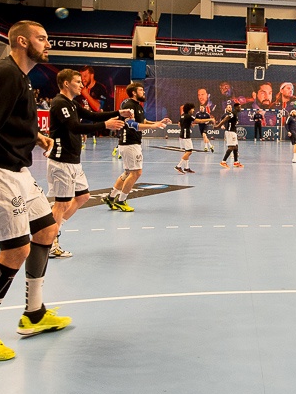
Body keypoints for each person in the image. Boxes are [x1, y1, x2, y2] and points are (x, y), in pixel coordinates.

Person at [0, 20, 65, 362]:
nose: (47, 43)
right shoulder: (3, 74)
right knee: (15, 251)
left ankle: (34, 314)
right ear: (22, 41)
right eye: (42, 37)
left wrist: (37, 137)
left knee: (47, 228)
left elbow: (7, 120)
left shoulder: (20, 77)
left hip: (18, 170)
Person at [45, 68, 128, 256]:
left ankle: (51, 227)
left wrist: (118, 113)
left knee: (83, 196)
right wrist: (105, 126)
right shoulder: (59, 103)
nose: (82, 85)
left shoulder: (72, 104)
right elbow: (74, 127)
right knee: (61, 204)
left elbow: (92, 115)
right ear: (66, 84)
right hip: (62, 161)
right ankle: (50, 242)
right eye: (77, 81)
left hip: (73, 161)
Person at [105, 82, 170, 210]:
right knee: (136, 173)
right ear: (134, 92)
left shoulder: (138, 106)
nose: (143, 92)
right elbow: (131, 124)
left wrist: (158, 123)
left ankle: (111, 197)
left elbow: (143, 122)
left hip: (132, 142)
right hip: (130, 142)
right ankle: (121, 201)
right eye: (141, 90)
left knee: (128, 172)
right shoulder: (129, 105)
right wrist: (153, 126)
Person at [176, 102, 209, 174]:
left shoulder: (182, 115)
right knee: (189, 151)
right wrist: (210, 119)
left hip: (182, 134)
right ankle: (179, 166)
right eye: (192, 109)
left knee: (187, 151)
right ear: (189, 109)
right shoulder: (188, 116)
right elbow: (199, 121)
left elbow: (179, 124)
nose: (193, 110)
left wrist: (188, 125)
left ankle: (186, 167)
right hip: (186, 136)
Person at [214, 102, 244, 168]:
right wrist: (218, 126)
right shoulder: (233, 113)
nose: (240, 108)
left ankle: (236, 162)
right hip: (230, 132)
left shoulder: (235, 114)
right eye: (239, 107)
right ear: (236, 107)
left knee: (236, 147)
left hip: (233, 132)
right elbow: (226, 118)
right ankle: (223, 162)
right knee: (231, 147)